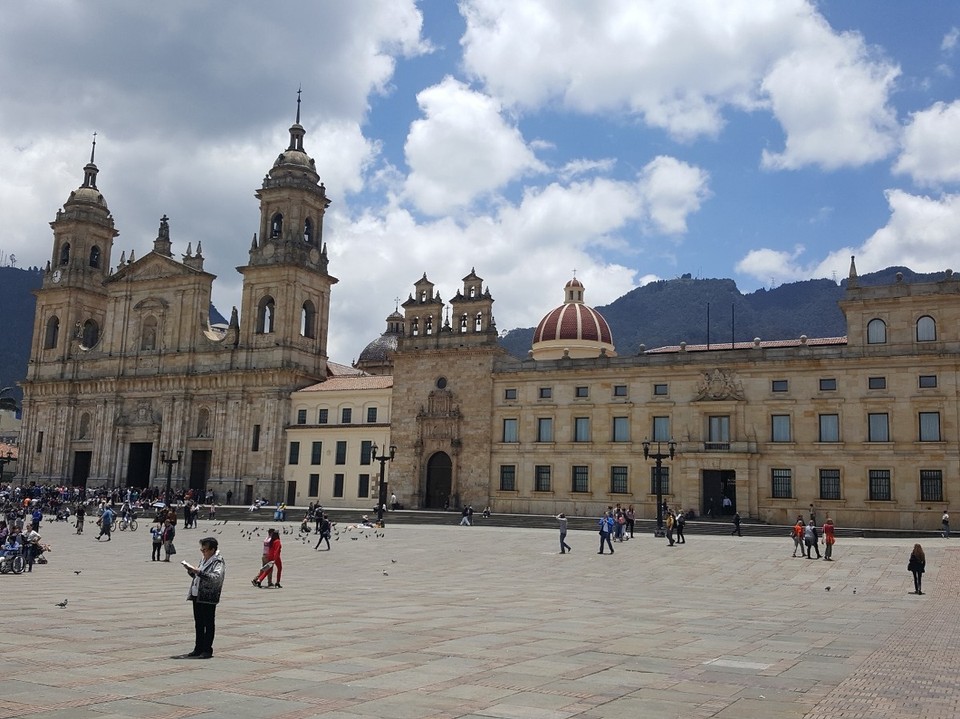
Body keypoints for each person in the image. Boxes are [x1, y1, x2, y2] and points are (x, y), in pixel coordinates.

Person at [177, 536, 225, 659]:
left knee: (208, 623)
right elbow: (198, 577)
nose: (203, 552)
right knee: (198, 623)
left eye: (205, 550)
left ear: (213, 549)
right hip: (197, 595)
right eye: (202, 550)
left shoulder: (218, 562)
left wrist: (199, 572)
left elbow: (216, 578)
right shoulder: (204, 560)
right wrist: (191, 571)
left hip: (208, 596)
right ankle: (198, 648)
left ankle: (207, 649)